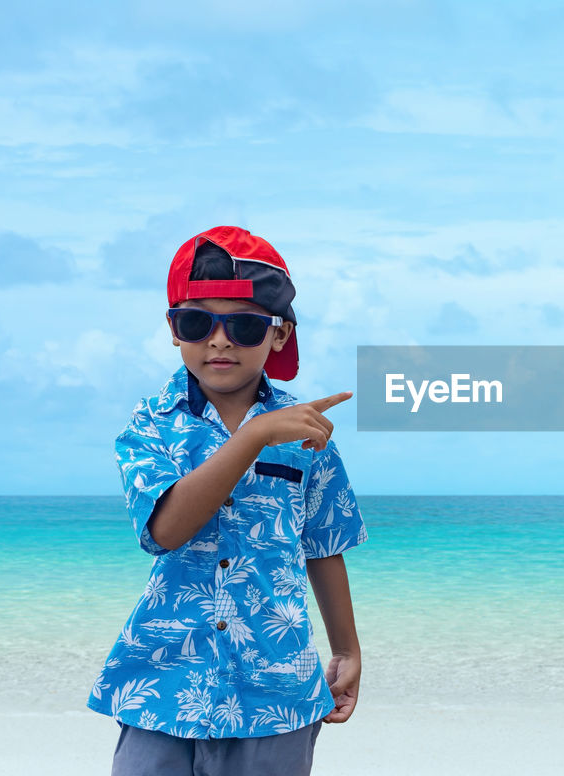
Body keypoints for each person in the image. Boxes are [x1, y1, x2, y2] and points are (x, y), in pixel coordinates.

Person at [85, 225, 368, 776]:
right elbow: (166, 531)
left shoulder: (309, 434)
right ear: (173, 329)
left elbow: (324, 545)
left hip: (277, 687)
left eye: (242, 326)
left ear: (279, 335)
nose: (219, 341)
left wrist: (347, 650)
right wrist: (253, 437)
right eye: (197, 322)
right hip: (163, 682)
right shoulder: (150, 424)